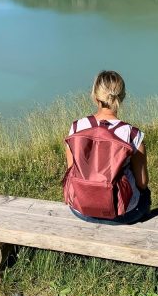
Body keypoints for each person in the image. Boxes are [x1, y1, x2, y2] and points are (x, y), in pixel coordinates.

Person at [64, 70, 150, 224]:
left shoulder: (76, 128)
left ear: (95, 97)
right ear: (121, 97)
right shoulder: (132, 134)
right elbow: (142, 183)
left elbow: (71, 168)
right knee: (145, 195)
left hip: (80, 208)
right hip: (122, 212)